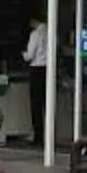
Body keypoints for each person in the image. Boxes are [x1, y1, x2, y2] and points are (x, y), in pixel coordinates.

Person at [23, 16, 50, 147]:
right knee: (47, 104)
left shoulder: (35, 34)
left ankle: (38, 136)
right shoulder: (50, 32)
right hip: (48, 70)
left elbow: (30, 55)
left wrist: (23, 55)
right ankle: (48, 135)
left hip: (36, 69)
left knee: (36, 105)